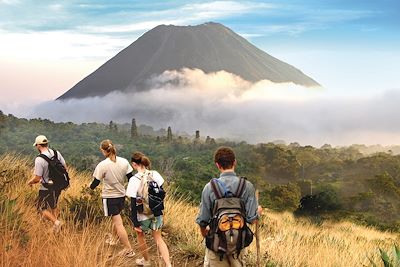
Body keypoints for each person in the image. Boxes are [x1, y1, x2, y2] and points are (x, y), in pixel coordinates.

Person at [196, 146, 260, 267]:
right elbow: (252, 219)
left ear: (217, 165)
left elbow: (202, 220)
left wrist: (206, 234)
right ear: (234, 162)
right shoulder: (247, 186)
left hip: (216, 244)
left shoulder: (209, 187)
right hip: (238, 244)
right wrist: (258, 212)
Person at [89, 139, 135, 258]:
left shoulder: (102, 165)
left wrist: (89, 188)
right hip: (121, 195)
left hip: (109, 197)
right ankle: (114, 239)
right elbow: (131, 178)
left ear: (103, 151)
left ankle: (128, 249)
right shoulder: (124, 162)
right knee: (117, 219)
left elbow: (95, 183)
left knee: (118, 223)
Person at [126, 152, 172, 267]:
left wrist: (134, 221)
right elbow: (161, 192)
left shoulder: (134, 179)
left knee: (141, 237)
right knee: (158, 238)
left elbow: (132, 202)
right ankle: (168, 264)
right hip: (156, 213)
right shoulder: (155, 174)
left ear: (133, 164)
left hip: (142, 215)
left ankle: (146, 261)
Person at [27, 135, 66, 232]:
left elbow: (37, 178)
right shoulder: (56, 153)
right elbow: (65, 168)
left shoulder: (39, 159)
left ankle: (57, 223)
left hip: (46, 187)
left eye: (36, 146)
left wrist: (30, 182)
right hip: (58, 186)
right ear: (46, 144)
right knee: (53, 205)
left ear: (39, 146)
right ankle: (56, 228)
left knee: (40, 208)